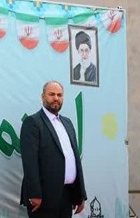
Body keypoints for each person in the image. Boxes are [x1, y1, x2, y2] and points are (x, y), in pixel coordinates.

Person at [20, 80, 86, 217]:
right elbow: (29, 162)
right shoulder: (33, 122)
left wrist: (81, 194)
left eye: (59, 95)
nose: (56, 98)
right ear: (43, 96)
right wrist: (34, 194)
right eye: (52, 94)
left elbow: (75, 160)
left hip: (67, 196)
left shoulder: (67, 123)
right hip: (43, 199)